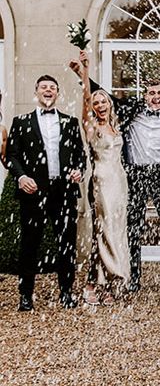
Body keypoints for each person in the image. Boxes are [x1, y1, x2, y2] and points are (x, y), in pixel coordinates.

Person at [70, 58, 160, 291]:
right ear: (144, 95)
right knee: (133, 227)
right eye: (151, 93)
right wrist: (82, 75)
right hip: (133, 175)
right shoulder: (131, 111)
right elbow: (101, 99)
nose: (155, 97)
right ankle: (132, 278)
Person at [6, 75, 86, 311]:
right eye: (44, 87)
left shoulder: (70, 122)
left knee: (67, 244)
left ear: (58, 94)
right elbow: (12, 155)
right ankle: (26, 296)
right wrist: (21, 177)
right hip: (33, 191)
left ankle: (66, 292)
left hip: (63, 192)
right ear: (36, 92)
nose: (48, 90)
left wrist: (78, 170)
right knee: (30, 244)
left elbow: (80, 155)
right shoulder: (21, 123)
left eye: (52, 88)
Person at [78, 51, 130, 305]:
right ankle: (100, 281)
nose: (99, 105)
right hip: (101, 181)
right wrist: (85, 72)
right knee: (104, 230)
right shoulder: (93, 127)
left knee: (116, 230)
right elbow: (84, 105)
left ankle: (106, 284)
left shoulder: (116, 126)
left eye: (103, 101)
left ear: (109, 104)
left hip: (119, 182)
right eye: (96, 102)